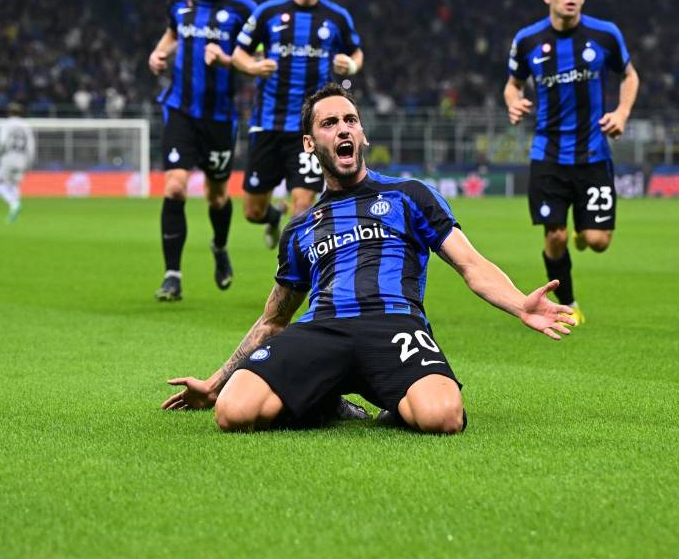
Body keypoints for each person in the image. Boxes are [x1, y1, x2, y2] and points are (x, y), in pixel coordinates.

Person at [161, 83, 576, 433]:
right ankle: (327, 401)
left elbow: (471, 265)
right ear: (310, 143)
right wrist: (216, 383)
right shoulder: (301, 227)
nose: (343, 129)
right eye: (329, 123)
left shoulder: (409, 194)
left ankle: (387, 402)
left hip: (394, 324)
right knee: (233, 412)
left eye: (350, 121)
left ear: (362, 135)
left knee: (443, 416)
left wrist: (520, 303)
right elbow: (275, 318)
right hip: (323, 330)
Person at [503, 0, 640, 326]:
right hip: (547, 154)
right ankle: (569, 302)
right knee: (555, 236)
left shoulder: (605, 34)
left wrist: (622, 114)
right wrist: (512, 101)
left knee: (598, 241)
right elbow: (513, 83)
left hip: (594, 153)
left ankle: (585, 229)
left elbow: (630, 75)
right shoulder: (528, 40)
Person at [231, 0, 364, 249]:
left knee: (303, 204)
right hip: (267, 124)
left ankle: (290, 276)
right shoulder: (268, 12)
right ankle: (272, 217)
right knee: (252, 211)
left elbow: (356, 51)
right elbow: (239, 54)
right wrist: (253, 65)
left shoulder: (337, 17)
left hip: (310, 128)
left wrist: (352, 64)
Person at [147, 0, 257, 302]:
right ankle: (172, 276)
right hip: (180, 109)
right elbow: (173, 35)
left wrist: (228, 59)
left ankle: (220, 246)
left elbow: (256, 56)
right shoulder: (179, 0)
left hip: (220, 117)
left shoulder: (244, 9)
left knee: (217, 196)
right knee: (175, 186)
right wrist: (159, 53)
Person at [0, 104, 35, 223]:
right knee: (15, 184)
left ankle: (14, 204)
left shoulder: (5, 124)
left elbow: (1, 142)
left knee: (0, 183)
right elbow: (31, 145)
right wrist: (29, 162)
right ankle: (15, 210)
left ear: (9, 113)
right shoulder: (27, 125)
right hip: (22, 158)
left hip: (8, 156)